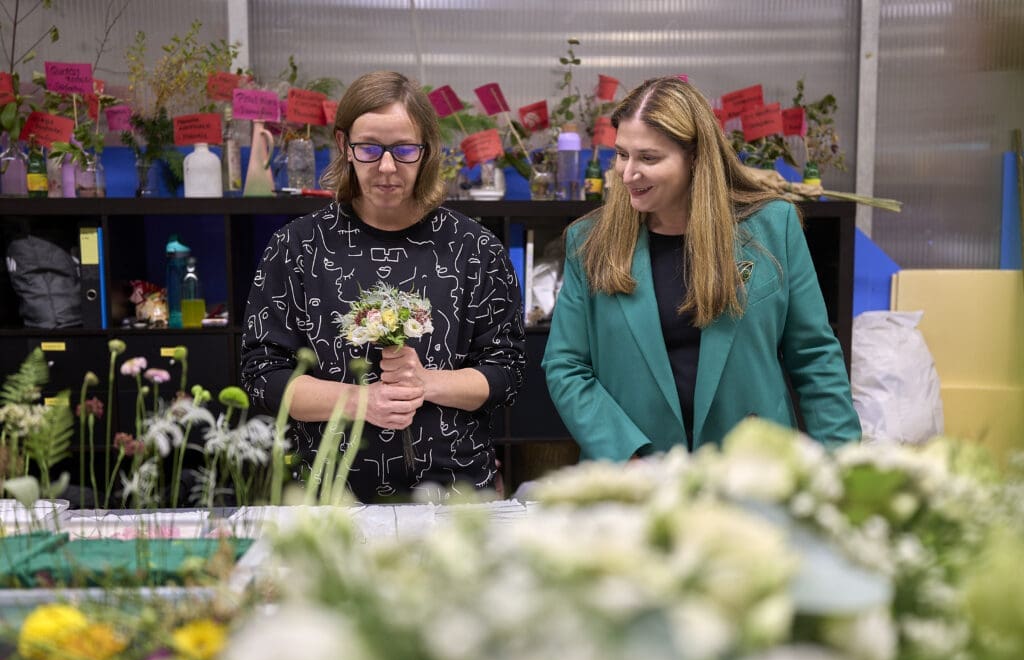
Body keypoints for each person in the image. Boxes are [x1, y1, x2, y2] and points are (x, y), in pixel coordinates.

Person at [542, 76, 861, 462]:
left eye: (648, 158)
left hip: (753, 474)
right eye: (622, 154)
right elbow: (566, 366)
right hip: (638, 481)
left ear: (695, 157)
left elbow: (814, 356)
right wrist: (628, 455)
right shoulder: (589, 241)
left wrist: (844, 467)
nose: (627, 174)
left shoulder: (773, 228)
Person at [241, 71, 526, 501]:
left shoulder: (473, 247)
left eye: (405, 150)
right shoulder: (299, 247)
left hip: (456, 497)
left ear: (427, 150)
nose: (387, 167)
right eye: (370, 148)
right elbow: (263, 376)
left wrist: (426, 383)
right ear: (343, 146)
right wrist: (360, 401)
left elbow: (508, 373)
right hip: (331, 498)